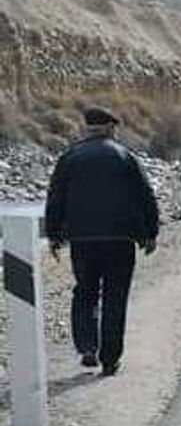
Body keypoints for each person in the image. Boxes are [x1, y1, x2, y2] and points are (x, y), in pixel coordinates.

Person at [44, 107, 159, 377]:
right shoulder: (125, 157)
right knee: (115, 298)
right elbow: (145, 196)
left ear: (88, 127)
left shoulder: (70, 157)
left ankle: (87, 347)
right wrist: (150, 233)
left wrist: (54, 235)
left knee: (85, 291)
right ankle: (110, 360)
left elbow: (55, 198)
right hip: (121, 240)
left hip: (83, 239)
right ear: (109, 127)